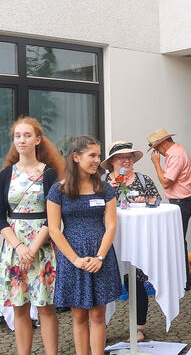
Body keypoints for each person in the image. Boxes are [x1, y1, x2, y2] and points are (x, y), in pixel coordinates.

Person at [46, 135, 122, 355]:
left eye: (98, 155)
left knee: (98, 315)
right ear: (76, 157)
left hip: (101, 256)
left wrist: (99, 257)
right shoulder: (58, 190)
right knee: (78, 316)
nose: (97, 160)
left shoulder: (105, 189)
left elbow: (111, 226)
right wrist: (76, 260)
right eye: (92, 155)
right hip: (72, 258)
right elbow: (53, 229)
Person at [0, 117, 64, 355]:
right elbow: (0, 217)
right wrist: (19, 247)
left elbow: (53, 216)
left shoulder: (49, 174)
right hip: (14, 249)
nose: (22, 140)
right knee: (19, 307)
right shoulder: (6, 175)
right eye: (17, 136)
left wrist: (34, 247)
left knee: (45, 306)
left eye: (27, 135)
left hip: (43, 247)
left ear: (37, 140)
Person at [100, 140, 161, 342]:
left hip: (137, 240)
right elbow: (92, 207)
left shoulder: (143, 180)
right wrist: (108, 190)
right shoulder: (101, 182)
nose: (126, 161)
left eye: (129, 157)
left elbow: (156, 202)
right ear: (111, 162)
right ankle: (101, 327)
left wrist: (145, 202)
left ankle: (139, 328)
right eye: (121, 157)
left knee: (136, 281)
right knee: (104, 282)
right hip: (108, 241)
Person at [147, 128, 191, 291]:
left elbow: (166, 182)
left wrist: (156, 164)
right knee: (176, 239)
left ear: (163, 143)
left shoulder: (175, 155)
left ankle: (183, 281)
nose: (157, 152)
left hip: (182, 202)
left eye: (156, 148)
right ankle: (181, 278)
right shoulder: (175, 152)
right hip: (181, 201)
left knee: (177, 240)